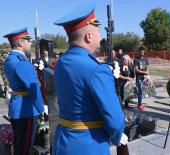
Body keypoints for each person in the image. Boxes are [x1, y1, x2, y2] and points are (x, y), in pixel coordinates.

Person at [53, 4, 127, 155]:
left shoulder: (61, 62)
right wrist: (117, 135)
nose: (100, 37)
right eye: (98, 31)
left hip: (63, 139)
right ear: (89, 36)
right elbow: (115, 120)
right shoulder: (97, 68)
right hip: (88, 144)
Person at [3, 27, 45, 155]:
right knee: (25, 147)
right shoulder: (21, 62)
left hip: (17, 105)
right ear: (21, 43)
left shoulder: (11, 59)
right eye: (28, 40)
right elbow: (33, 88)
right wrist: (41, 109)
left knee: (19, 144)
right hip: (27, 109)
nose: (30, 43)